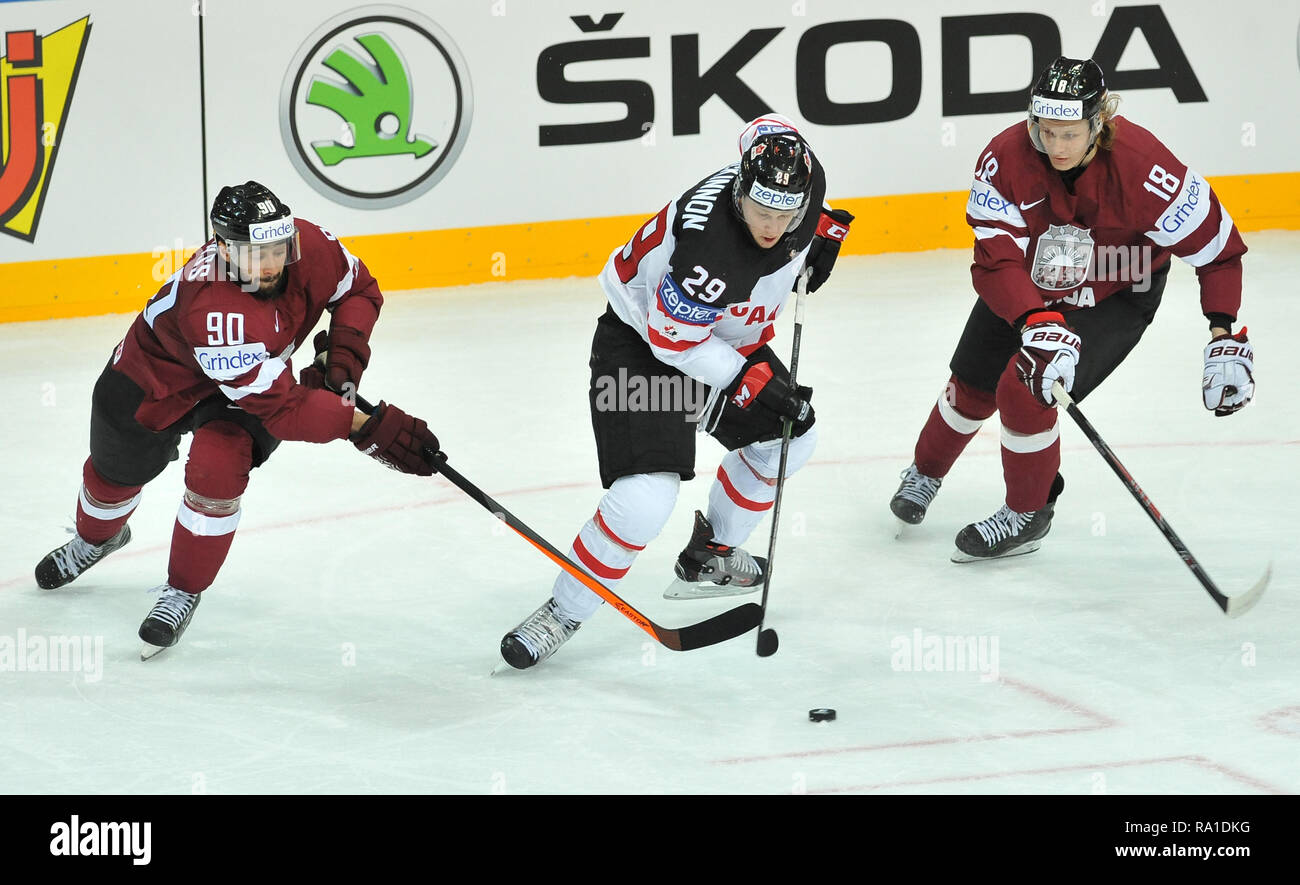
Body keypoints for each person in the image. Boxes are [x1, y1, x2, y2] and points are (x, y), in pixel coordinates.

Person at [498, 114, 854, 669]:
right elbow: (674, 344)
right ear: (739, 189)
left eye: (786, 215)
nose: (771, 225)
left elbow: (764, 125)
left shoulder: (797, 173)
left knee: (792, 437)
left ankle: (709, 554)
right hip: (644, 343)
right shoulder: (709, 251)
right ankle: (564, 611)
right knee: (645, 498)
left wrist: (817, 238)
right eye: (761, 212)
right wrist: (749, 378)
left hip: (725, 335)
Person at [34, 181, 440, 658]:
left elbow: (360, 291)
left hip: (246, 380)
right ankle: (96, 539)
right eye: (255, 253)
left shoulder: (312, 246)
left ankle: (182, 589)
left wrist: (345, 364)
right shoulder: (214, 307)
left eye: (278, 247)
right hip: (155, 380)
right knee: (112, 477)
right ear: (224, 248)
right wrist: (365, 426)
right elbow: (286, 410)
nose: (271, 263)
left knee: (218, 468)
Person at [889, 57, 1254, 561]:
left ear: (1097, 122)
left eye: (1069, 133)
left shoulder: (1147, 169)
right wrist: (1034, 319)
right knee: (969, 381)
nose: (1055, 146)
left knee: (1024, 390)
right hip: (1029, 285)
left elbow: (1219, 250)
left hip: (1116, 294)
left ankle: (1028, 513)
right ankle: (925, 472)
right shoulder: (1005, 158)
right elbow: (996, 259)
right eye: (1045, 131)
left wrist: (1222, 332)